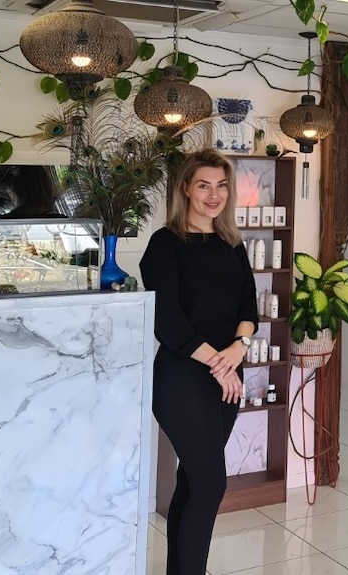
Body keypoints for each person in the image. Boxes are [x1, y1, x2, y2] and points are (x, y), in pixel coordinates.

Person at [139, 149, 257, 575]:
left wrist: (238, 350)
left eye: (221, 185)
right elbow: (167, 320)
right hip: (182, 379)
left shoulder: (232, 245)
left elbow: (249, 307)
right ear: (185, 188)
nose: (213, 195)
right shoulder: (165, 245)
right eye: (203, 185)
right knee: (212, 484)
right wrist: (220, 363)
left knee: (193, 482)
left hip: (226, 377)